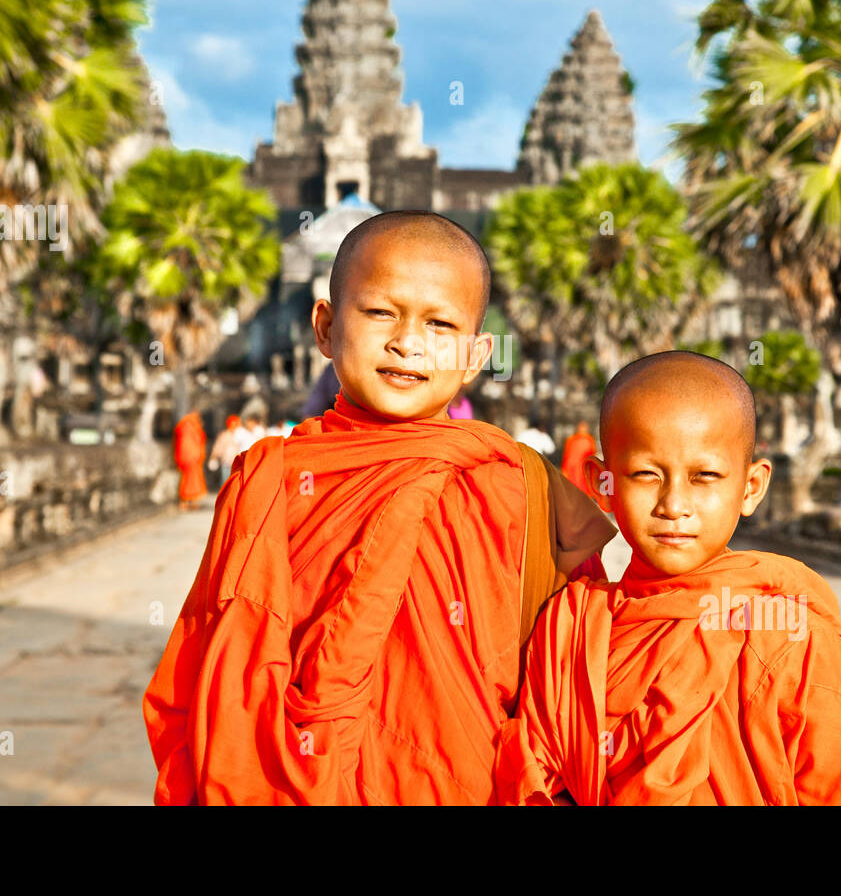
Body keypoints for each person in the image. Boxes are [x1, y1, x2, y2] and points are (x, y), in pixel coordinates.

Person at [144, 210, 616, 805]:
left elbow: (572, 672)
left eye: (440, 324)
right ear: (325, 326)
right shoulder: (272, 478)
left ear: (476, 355)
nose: (408, 342)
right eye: (380, 312)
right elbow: (213, 660)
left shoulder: (525, 488)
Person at [494, 351, 841, 806]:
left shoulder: (787, 637)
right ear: (603, 483)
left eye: (704, 476)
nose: (674, 504)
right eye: (646, 474)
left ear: (751, 488)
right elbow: (535, 777)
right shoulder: (570, 628)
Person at [172, 411, 208, 511]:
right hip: (191, 458)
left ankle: (191, 502)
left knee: (191, 481)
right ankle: (185, 502)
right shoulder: (190, 427)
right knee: (190, 481)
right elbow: (190, 444)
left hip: (188, 457)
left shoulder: (185, 427)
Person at [208, 415, 244, 490]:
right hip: (227, 462)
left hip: (239, 463)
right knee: (225, 483)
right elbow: (218, 447)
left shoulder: (241, 435)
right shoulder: (224, 435)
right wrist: (213, 456)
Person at [560, 420, 596, 493]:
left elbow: (592, 456)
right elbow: (566, 456)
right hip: (572, 469)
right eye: (581, 427)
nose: (582, 429)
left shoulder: (590, 440)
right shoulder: (571, 440)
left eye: (584, 427)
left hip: (583, 470)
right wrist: (564, 470)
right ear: (577, 428)